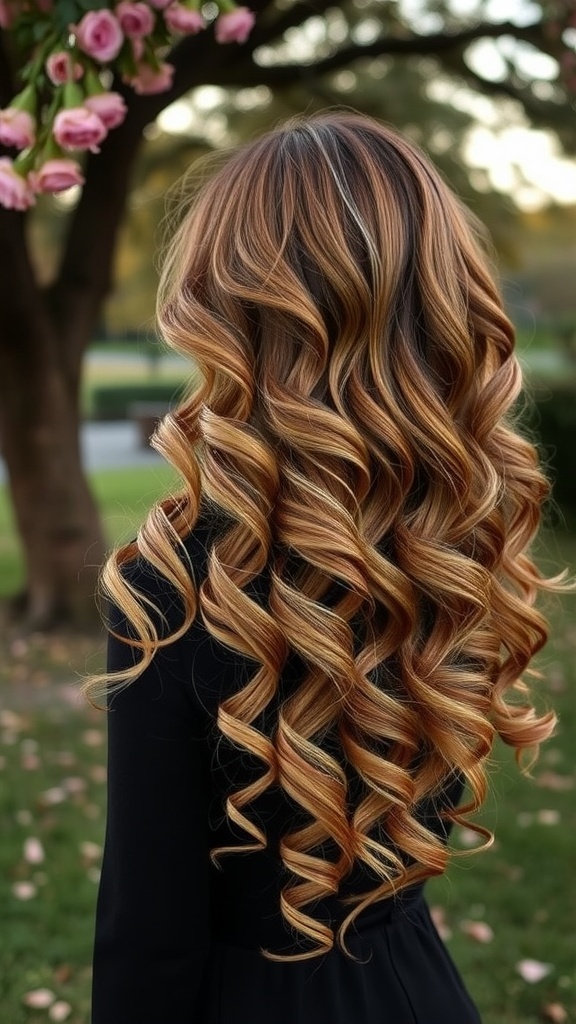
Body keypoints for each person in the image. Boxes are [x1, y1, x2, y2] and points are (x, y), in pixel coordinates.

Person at [86, 110, 566, 1024]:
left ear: (232, 315)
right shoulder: (450, 539)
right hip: (415, 987)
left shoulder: (177, 585)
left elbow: (149, 930)